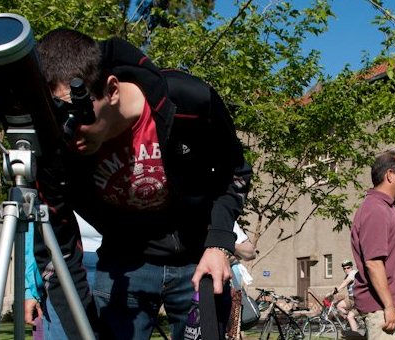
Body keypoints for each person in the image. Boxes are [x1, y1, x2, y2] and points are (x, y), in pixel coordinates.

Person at [24, 28, 253, 340]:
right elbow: (59, 252)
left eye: (78, 117)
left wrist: (219, 242)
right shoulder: (54, 150)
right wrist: (81, 330)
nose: (70, 134)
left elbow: (235, 172)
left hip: (197, 259)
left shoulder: (188, 101)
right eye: (56, 119)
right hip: (123, 266)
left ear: (112, 89)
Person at [350, 149, 395, 340]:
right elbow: (373, 263)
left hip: (388, 308)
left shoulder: (389, 208)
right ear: (389, 175)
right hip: (382, 309)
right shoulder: (375, 210)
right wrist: (389, 306)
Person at [329, 259, 361, 334]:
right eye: (344, 268)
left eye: (348, 267)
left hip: (357, 299)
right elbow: (343, 284)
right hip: (350, 299)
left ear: (351, 267)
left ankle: (355, 336)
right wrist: (331, 292)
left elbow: (346, 283)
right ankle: (352, 320)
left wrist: (337, 290)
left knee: (350, 316)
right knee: (338, 305)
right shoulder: (347, 275)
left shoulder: (353, 273)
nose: (346, 270)